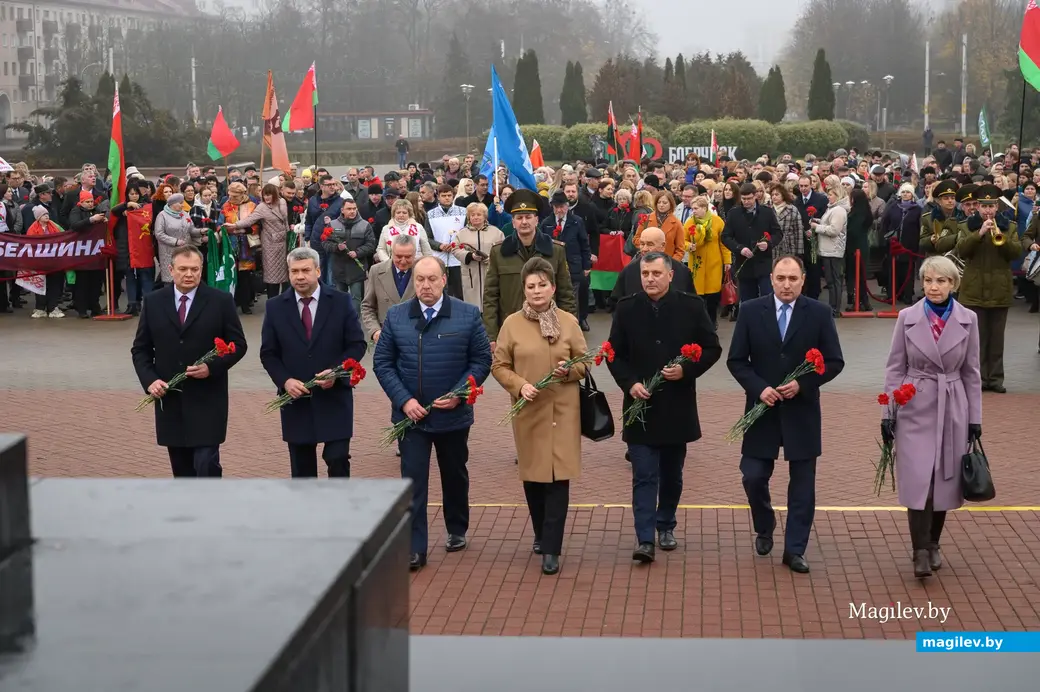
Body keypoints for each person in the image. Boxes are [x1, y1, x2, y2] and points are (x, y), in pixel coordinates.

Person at [372, 255, 492, 571]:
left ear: (443, 280)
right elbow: (382, 363)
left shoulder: (467, 315)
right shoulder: (396, 317)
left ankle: (456, 528)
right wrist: (404, 401)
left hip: (452, 416)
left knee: (454, 475)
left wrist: (459, 394)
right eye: (420, 279)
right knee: (412, 482)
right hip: (411, 419)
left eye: (431, 279)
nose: (425, 285)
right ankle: (415, 547)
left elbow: (481, 361)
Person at [726, 255, 844, 573]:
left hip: (801, 412)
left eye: (793, 278)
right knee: (753, 476)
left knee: (803, 485)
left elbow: (834, 361)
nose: (786, 284)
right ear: (772, 278)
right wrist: (758, 388)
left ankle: (795, 550)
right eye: (781, 278)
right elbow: (736, 361)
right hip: (762, 410)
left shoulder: (819, 313)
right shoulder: (751, 310)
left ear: (803, 280)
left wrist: (803, 384)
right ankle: (764, 525)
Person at [606, 252, 722, 563]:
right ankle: (645, 539)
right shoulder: (627, 308)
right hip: (639, 406)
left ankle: (666, 523)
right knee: (644, 474)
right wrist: (629, 383)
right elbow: (613, 353)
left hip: (676, 406)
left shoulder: (691, 306)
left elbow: (712, 348)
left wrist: (687, 371)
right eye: (645, 274)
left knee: (672, 475)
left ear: (670, 275)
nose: (650, 279)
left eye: (656, 273)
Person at [882, 255, 982, 578]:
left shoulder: (969, 320)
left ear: (953, 284)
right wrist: (888, 413)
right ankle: (920, 551)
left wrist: (974, 419)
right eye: (928, 280)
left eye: (940, 281)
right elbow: (895, 366)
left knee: (943, 482)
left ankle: (934, 542)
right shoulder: (907, 317)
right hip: (914, 404)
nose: (933, 287)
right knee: (918, 481)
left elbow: (972, 373)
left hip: (952, 404)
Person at [491, 257, 588, 576]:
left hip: (563, 411)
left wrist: (568, 371)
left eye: (542, 285)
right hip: (529, 412)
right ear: (524, 290)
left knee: (559, 479)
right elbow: (499, 366)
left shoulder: (569, 322)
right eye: (530, 286)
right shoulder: (512, 324)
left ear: (553, 287)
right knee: (534, 479)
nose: (536, 291)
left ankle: (552, 548)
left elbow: (584, 363)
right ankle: (540, 532)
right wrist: (520, 386)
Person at [131, 245, 247, 477]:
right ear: (170, 270)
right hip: (171, 400)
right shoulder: (154, 302)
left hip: (207, 398)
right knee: (181, 469)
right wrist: (150, 380)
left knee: (206, 462)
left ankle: (210, 506)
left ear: (201, 270)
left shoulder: (220, 301)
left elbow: (238, 344)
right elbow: (141, 349)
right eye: (183, 269)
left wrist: (211, 367)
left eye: (194, 269)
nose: (189, 274)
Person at [259, 247, 368, 478]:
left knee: (338, 459)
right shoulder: (275, 307)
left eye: (306, 270)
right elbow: (269, 353)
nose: (300, 276)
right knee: (302, 468)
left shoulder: (340, 301)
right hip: (296, 399)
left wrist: (336, 372)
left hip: (334, 397)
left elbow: (357, 344)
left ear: (318, 271)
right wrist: (285, 381)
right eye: (294, 271)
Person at [483, 189, 577, 350]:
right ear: (513, 222)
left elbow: (566, 294)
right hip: (512, 329)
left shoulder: (555, 251)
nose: (524, 222)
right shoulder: (499, 253)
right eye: (519, 218)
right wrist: (491, 335)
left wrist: (571, 330)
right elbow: (490, 297)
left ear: (537, 220)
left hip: (549, 328)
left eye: (528, 217)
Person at [954, 183, 1021, 393]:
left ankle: (996, 379)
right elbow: (961, 250)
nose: (988, 211)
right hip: (974, 290)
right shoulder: (967, 226)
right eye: (984, 206)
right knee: (977, 339)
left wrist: (1002, 238)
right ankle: (978, 378)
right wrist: (979, 233)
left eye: (991, 206)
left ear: (997, 207)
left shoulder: (1009, 226)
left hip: (999, 288)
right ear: (978, 208)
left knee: (997, 338)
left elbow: (1016, 252)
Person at [722, 183, 783, 303]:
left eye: (749, 198)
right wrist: (740, 248)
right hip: (744, 264)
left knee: (767, 298)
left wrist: (768, 243)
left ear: (755, 196)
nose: (746, 202)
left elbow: (778, 233)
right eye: (743, 199)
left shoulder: (767, 212)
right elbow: (725, 237)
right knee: (748, 301)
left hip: (763, 262)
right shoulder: (734, 214)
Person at [610, 226, 693, 300]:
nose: (644, 249)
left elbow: (691, 304)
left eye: (650, 244)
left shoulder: (682, 272)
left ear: (663, 246)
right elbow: (617, 302)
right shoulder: (629, 271)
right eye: (642, 244)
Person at [361, 234, 417, 340]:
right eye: (399, 256)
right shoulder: (376, 271)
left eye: (408, 257)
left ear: (415, 254)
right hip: (386, 338)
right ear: (391, 253)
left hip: (415, 337)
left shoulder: (423, 272)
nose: (403, 261)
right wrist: (375, 331)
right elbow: (367, 307)